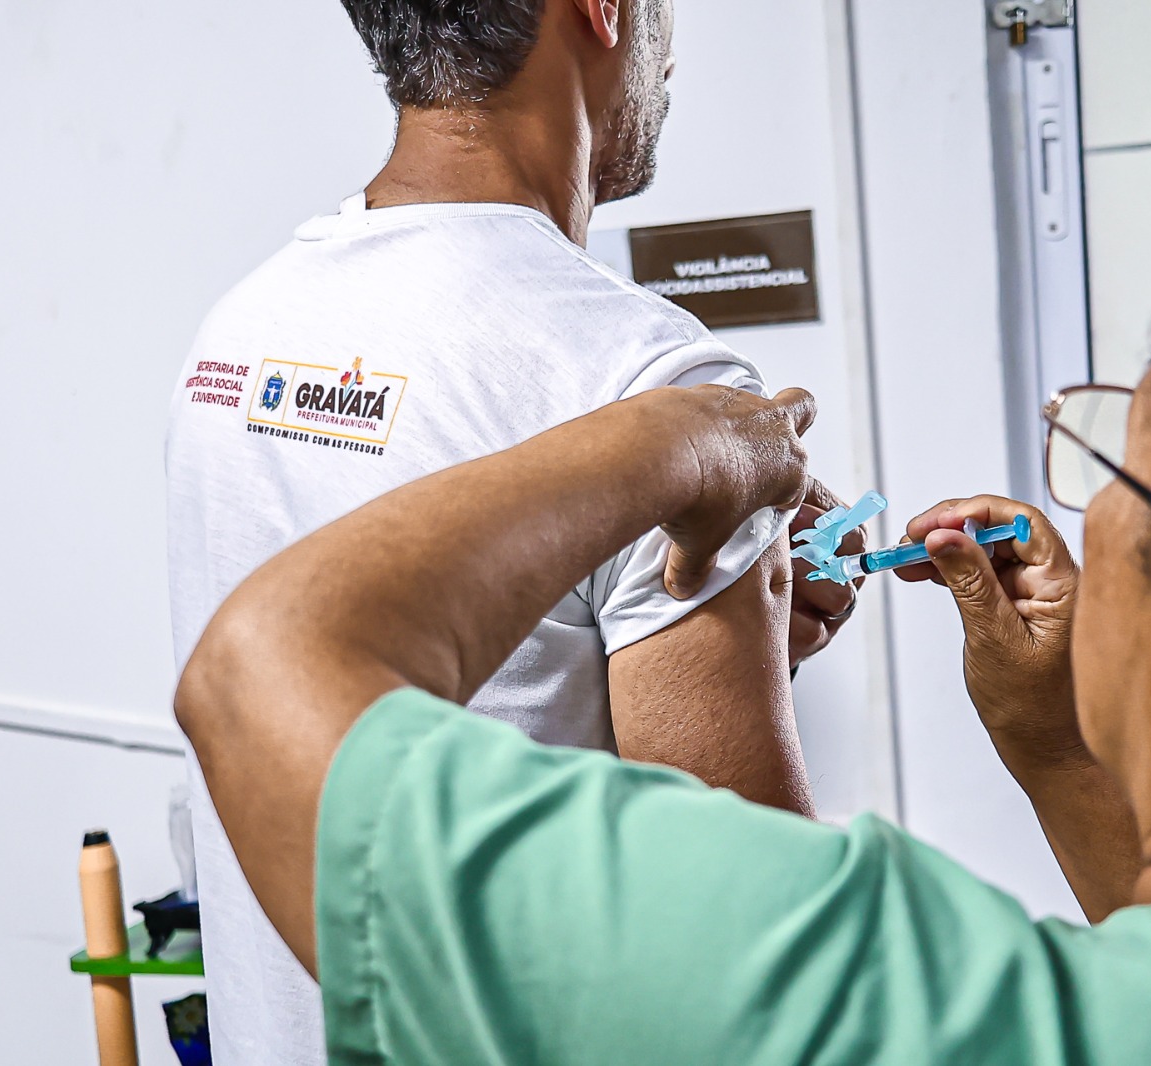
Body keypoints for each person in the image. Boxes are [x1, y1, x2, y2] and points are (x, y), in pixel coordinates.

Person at [179, 190, 1151, 1064]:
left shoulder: (890, 1008)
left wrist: (670, 444)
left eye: (1122, 470)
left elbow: (264, 675)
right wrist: (1058, 747)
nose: (1085, 503)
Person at [165, 1, 861, 1061]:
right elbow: (761, 963)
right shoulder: (656, 382)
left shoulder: (237, 334)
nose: (671, 49)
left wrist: (744, 627)